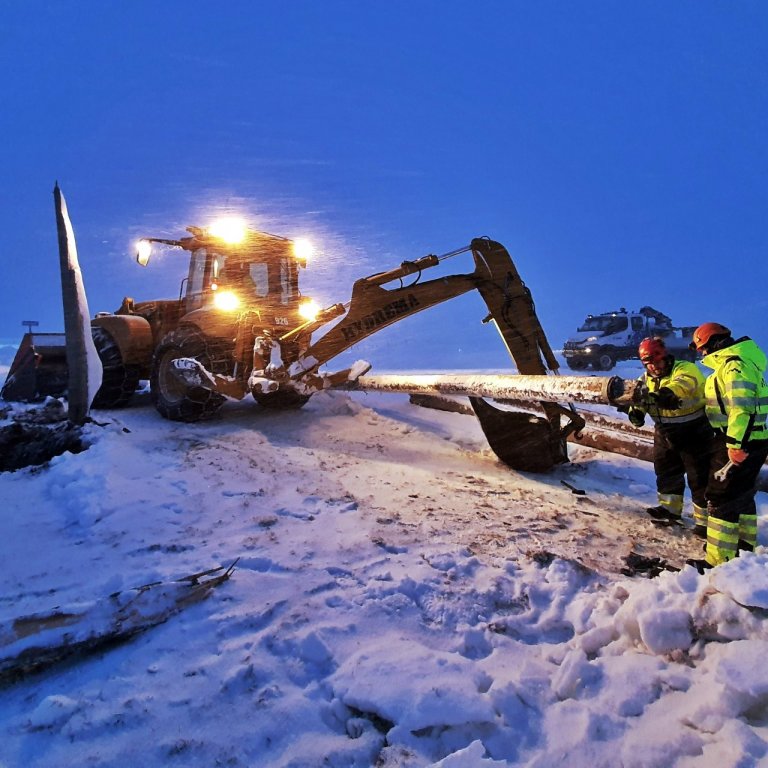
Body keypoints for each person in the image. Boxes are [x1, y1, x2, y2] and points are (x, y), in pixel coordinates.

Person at [686, 322, 768, 571]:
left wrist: (735, 444)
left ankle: (719, 559)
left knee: (720, 496)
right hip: (747, 439)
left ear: (715, 344)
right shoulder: (737, 363)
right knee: (741, 493)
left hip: (739, 440)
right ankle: (744, 547)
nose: (702, 354)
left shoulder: (734, 366)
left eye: (703, 348)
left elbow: (741, 408)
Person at [623, 336, 713, 533]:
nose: (653, 367)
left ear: (665, 357)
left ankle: (705, 522)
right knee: (666, 472)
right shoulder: (644, 379)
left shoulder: (685, 369)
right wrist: (636, 413)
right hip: (664, 432)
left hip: (694, 431)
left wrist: (665, 394)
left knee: (699, 477)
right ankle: (670, 510)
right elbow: (638, 399)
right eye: (648, 364)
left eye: (656, 362)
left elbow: (683, 385)